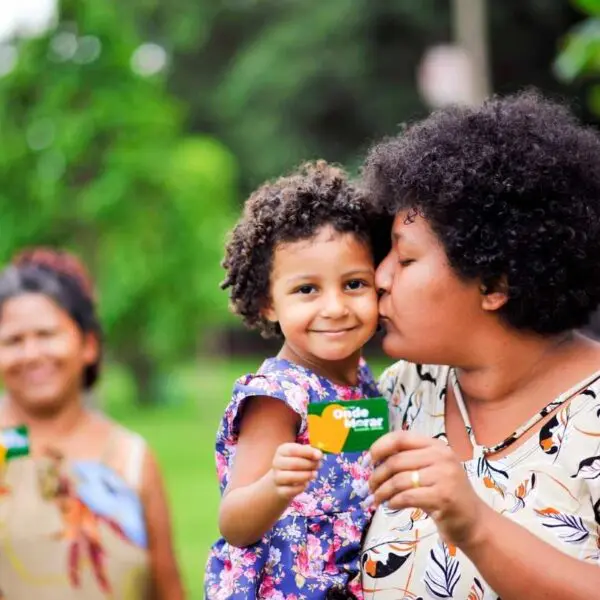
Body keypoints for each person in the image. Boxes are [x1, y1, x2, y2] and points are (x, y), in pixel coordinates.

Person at [359, 91, 600, 599]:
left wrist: (476, 525)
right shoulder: (399, 394)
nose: (379, 278)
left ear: (494, 284)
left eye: (404, 261)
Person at [204, 161, 381, 599]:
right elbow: (235, 522)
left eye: (354, 283)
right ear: (268, 303)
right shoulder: (279, 397)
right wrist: (275, 486)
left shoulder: (362, 383)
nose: (335, 307)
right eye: (307, 290)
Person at [0, 248, 185, 600]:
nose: (31, 353)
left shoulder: (130, 459)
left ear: (88, 345)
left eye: (46, 334)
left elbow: (168, 590)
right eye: (13, 340)